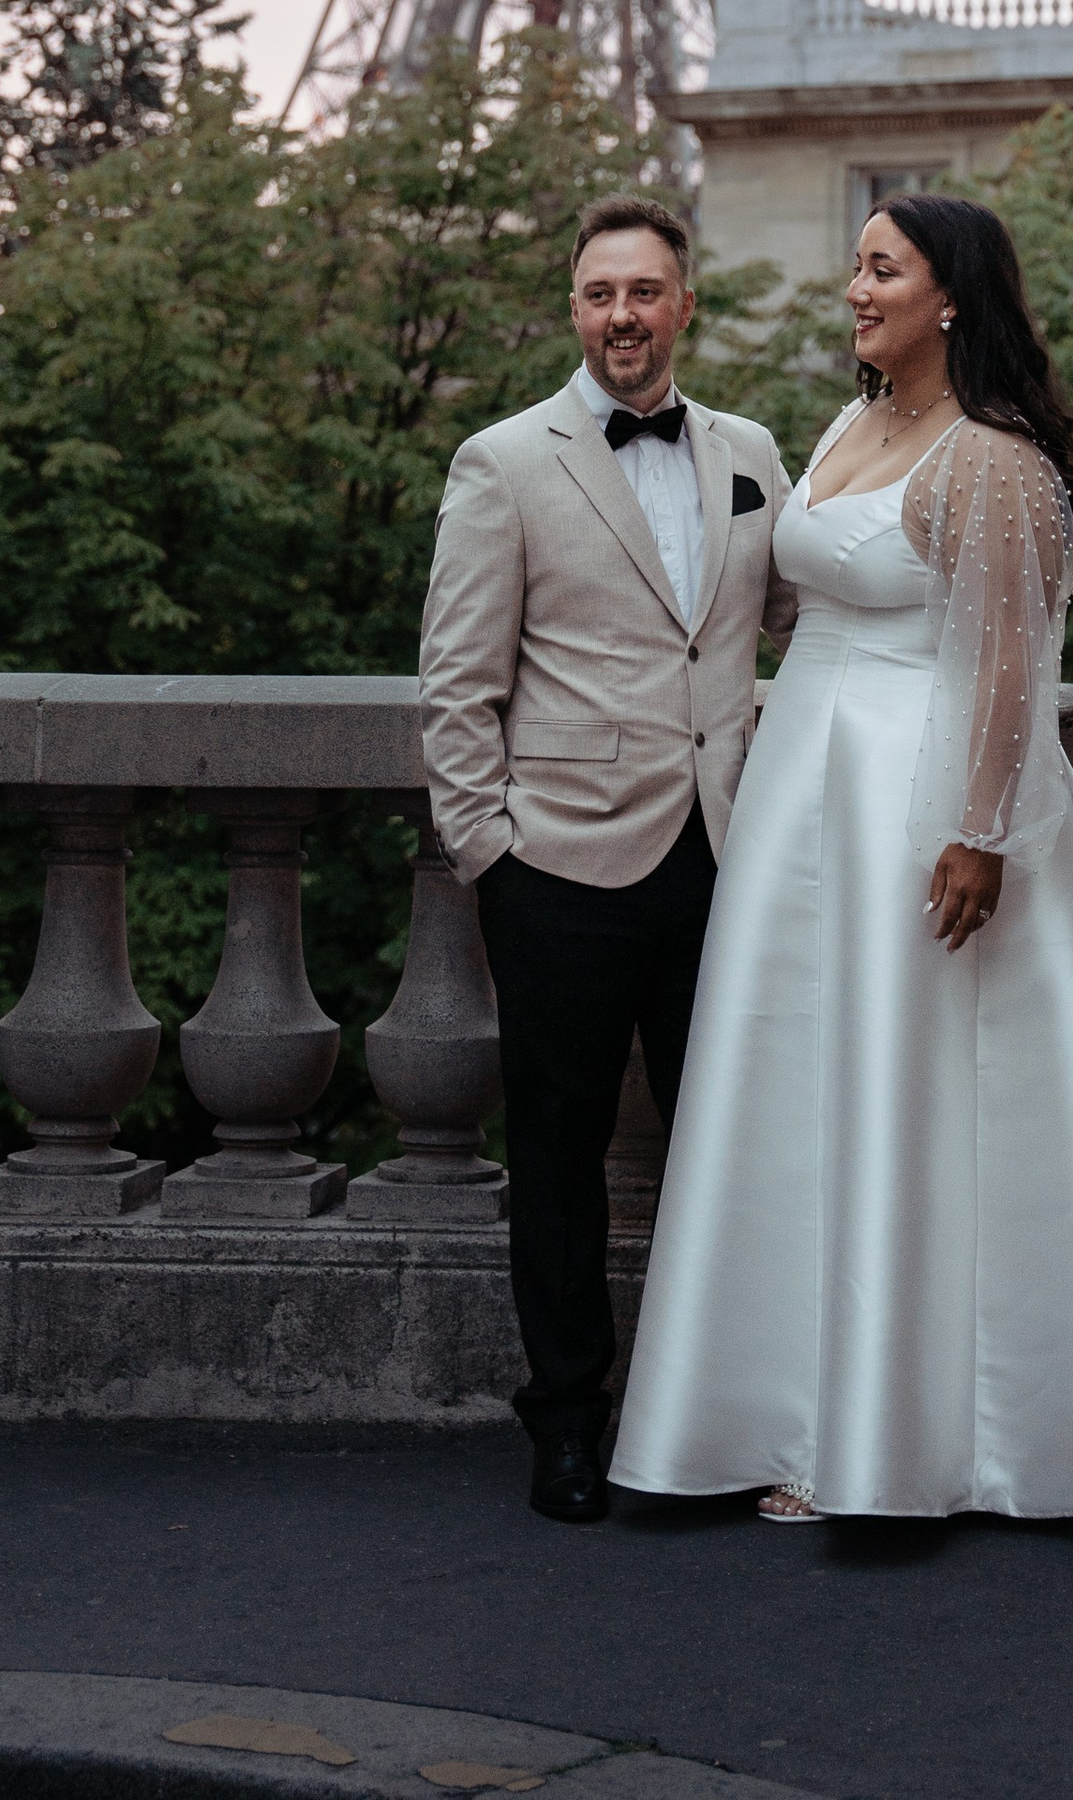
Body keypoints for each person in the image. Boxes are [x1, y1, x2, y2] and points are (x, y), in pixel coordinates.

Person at [609, 192, 1073, 1522]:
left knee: (908, 1095)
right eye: (857, 265)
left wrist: (977, 831)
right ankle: (784, 1406)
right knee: (799, 1102)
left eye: (881, 268)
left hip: (915, 799)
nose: (854, 288)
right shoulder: (847, 426)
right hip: (801, 796)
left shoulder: (989, 457)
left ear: (952, 296)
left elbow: (1010, 660)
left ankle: (902, 1445)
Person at [418, 191, 793, 1527]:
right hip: (559, 870)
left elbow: (802, 636)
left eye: (645, 292)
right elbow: (458, 684)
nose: (623, 316)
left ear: (685, 305)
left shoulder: (751, 450)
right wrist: (492, 858)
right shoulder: (504, 462)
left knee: (735, 1153)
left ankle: (721, 1422)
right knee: (562, 1160)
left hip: (725, 860)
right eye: (599, 296)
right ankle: (566, 1423)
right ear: (574, 312)